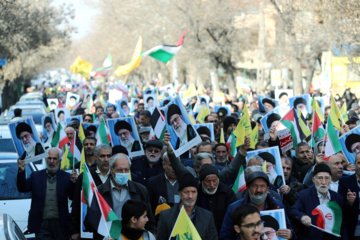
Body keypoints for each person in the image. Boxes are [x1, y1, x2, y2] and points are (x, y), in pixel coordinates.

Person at [84, 153, 155, 239]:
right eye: (120, 170)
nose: (123, 173)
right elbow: (90, 222)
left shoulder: (140, 190)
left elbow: (149, 220)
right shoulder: (99, 192)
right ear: (111, 169)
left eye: (126, 169)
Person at [17, 147, 77, 239]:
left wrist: (73, 182)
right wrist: (21, 171)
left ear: (59, 161)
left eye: (54, 158)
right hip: (41, 225)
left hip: (61, 225)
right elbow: (22, 188)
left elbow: (72, 197)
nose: (51, 161)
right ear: (46, 159)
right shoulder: (36, 176)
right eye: (49, 158)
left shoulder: (66, 177)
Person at [220, 171, 294, 240]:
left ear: (268, 189)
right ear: (248, 188)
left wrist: (290, 234)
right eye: (255, 186)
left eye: (262, 186)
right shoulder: (234, 208)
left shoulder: (278, 205)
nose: (258, 190)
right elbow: (225, 237)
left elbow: (289, 229)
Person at [288, 163, 347, 239]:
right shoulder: (304, 195)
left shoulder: (337, 198)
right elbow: (292, 210)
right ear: (313, 180)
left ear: (330, 179)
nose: (323, 182)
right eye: (320, 178)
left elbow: (342, 224)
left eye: (326, 178)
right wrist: (302, 217)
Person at [157, 172, 218, 240]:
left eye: (193, 192)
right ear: (180, 194)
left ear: (197, 193)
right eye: (186, 192)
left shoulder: (207, 216)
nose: (190, 196)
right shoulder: (166, 216)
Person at [70, 144, 111, 240]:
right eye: (102, 156)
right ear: (95, 157)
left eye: (108, 156)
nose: (106, 159)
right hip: (90, 229)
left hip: (111, 227)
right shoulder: (85, 177)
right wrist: (75, 230)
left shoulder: (115, 176)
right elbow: (77, 204)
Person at [197, 164, 237, 234]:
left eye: (214, 181)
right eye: (208, 181)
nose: (212, 185)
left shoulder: (227, 192)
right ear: (202, 181)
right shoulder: (196, 193)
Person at [146, 152, 179, 216]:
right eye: (171, 165)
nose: (174, 168)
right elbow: (149, 208)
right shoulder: (153, 183)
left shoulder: (185, 181)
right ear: (164, 165)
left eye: (176, 164)